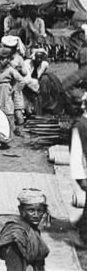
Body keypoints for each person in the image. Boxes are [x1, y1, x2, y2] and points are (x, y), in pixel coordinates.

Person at [0, 189, 50, 270]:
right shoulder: (16, 235)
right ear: (20, 210)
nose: (36, 215)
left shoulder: (33, 230)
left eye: (40, 211)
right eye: (31, 210)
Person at [0, 47, 26, 131]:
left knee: (8, 112)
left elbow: (21, 81)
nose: (1, 61)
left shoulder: (11, 70)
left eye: (3, 59)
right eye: (0, 59)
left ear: (8, 59)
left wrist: (15, 88)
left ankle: (13, 131)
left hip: (6, 92)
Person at [70, 97, 87, 244]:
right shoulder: (80, 125)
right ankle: (84, 236)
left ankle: (81, 226)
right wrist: (81, 178)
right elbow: (75, 153)